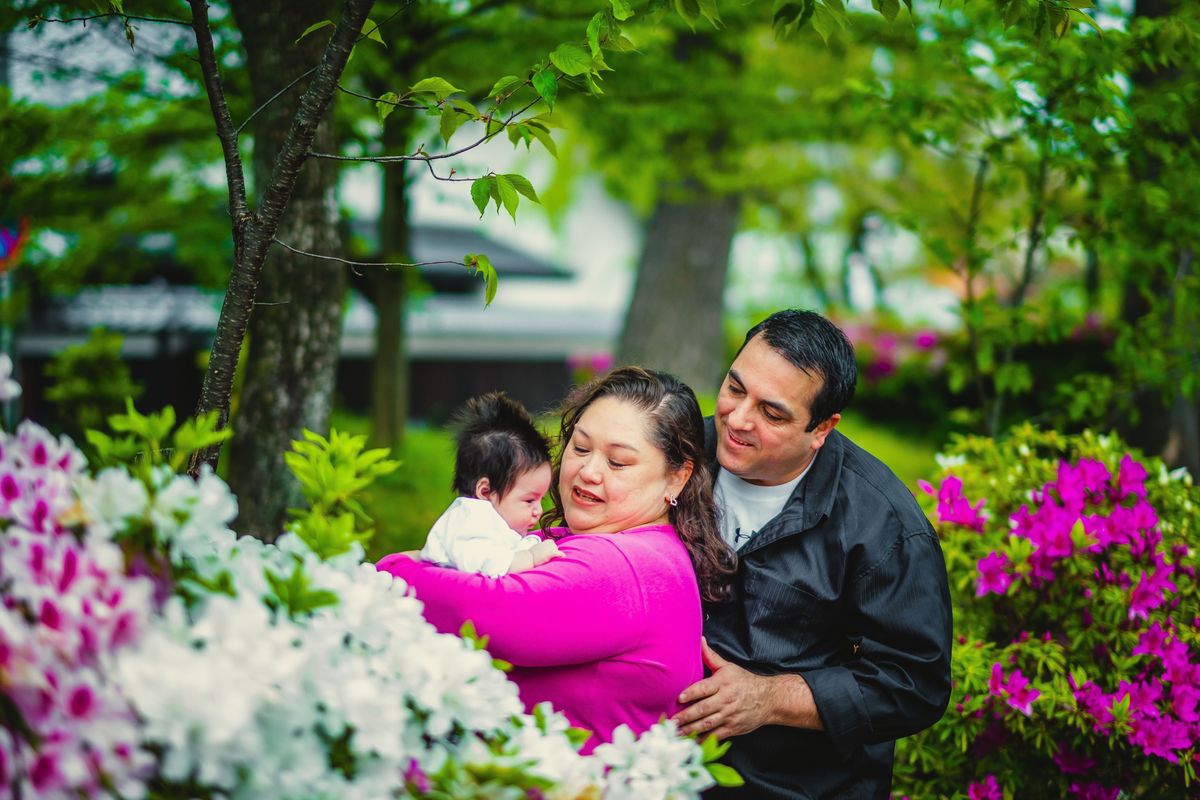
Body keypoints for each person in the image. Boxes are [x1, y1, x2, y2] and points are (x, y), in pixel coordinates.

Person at [377, 367, 737, 752]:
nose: (588, 471)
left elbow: (488, 612)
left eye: (617, 462)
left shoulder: (628, 565)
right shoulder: (622, 546)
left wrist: (394, 571)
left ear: (676, 478)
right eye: (580, 448)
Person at [671, 309, 953, 799]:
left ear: (822, 428)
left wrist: (769, 698)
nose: (737, 419)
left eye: (772, 413)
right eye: (735, 388)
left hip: (794, 786)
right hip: (656, 766)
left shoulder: (884, 525)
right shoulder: (674, 450)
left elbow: (914, 682)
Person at [420, 392, 561, 576]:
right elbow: (485, 565)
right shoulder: (471, 523)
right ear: (485, 492)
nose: (539, 511)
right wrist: (531, 556)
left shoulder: (495, 520)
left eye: (541, 500)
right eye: (529, 501)